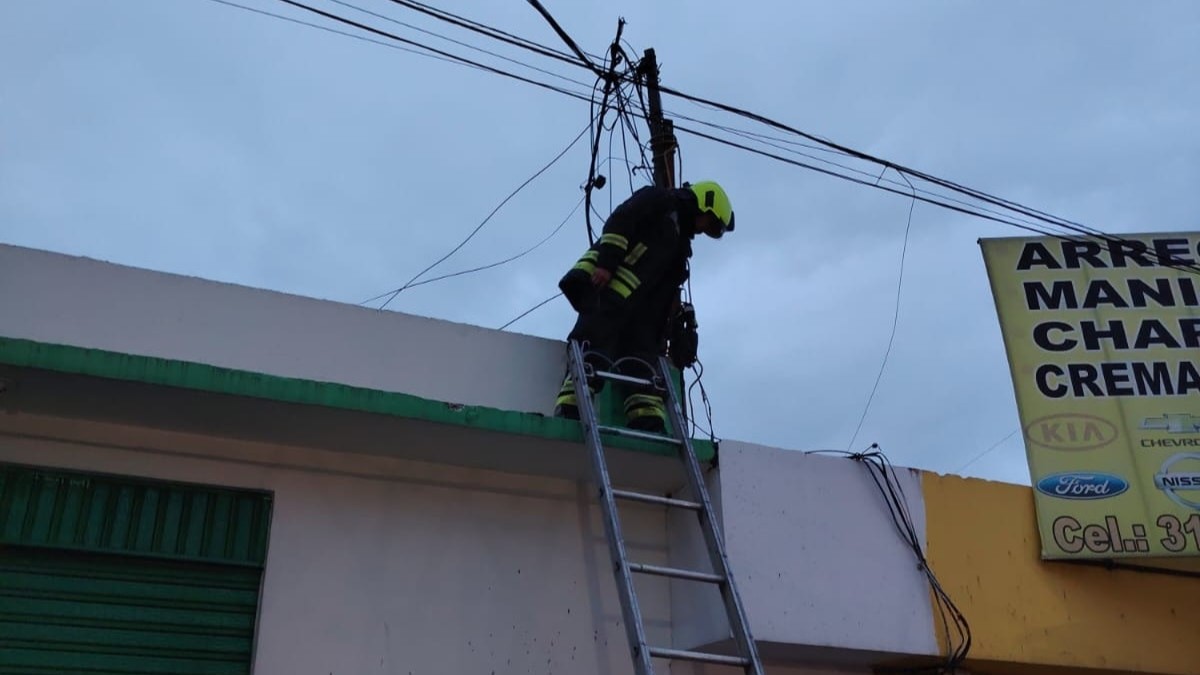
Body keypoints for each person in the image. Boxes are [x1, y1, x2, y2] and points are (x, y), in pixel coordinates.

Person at [552, 180, 735, 433]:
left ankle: (647, 422)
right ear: (704, 203)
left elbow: (663, 291)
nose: (705, 229)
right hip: (608, 290)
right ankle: (570, 410)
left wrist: (664, 332)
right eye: (709, 222)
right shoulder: (658, 200)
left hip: (639, 314)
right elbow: (620, 221)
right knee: (593, 347)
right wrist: (606, 264)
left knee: (643, 362)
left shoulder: (680, 242)